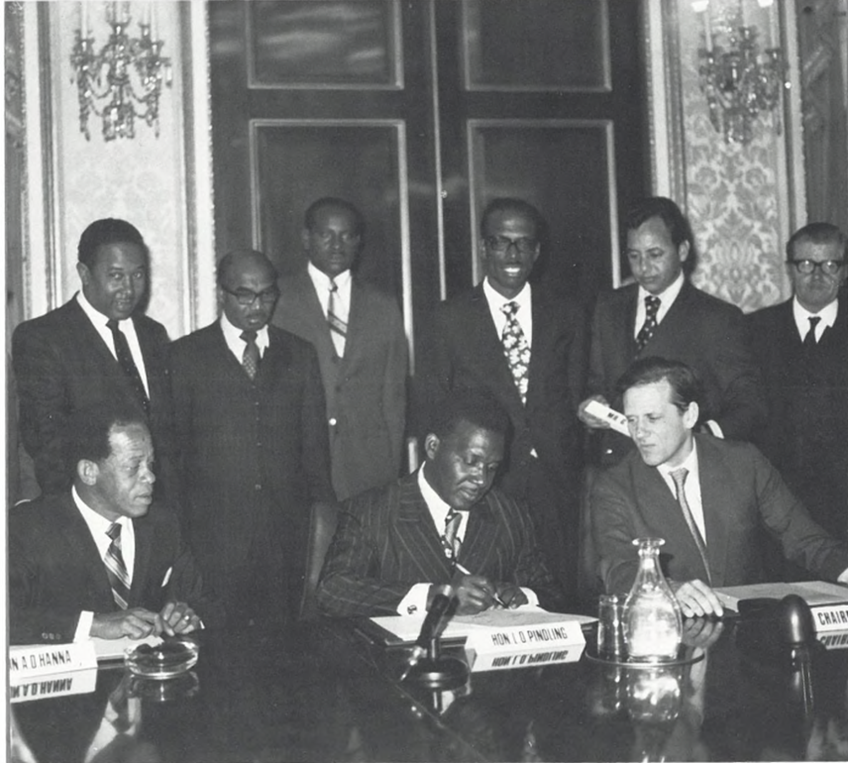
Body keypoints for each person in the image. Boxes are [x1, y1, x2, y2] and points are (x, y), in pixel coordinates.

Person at [591, 356, 848, 619]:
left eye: (652, 418)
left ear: (689, 415)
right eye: (632, 420)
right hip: (675, 633)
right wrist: (668, 589)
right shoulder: (615, 486)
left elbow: (805, 539)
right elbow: (619, 568)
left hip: (749, 632)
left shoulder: (744, 461)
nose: (639, 432)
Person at [424, 198, 587, 601]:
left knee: (559, 598)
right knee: (490, 601)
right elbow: (435, 407)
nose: (512, 255)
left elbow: (578, 393)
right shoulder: (449, 319)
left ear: (536, 250)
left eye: (522, 243)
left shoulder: (567, 314)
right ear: (484, 248)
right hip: (485, 485)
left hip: (556, 484)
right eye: (501, 242)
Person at [169, 249, 335, 625]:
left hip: (285, 539)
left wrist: (321, 535)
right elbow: (173, 455)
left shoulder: (299, 354)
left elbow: (315, 453)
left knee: (284, 652)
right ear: (222, 294)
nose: (258, 305)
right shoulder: (184, 357)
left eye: (267, 294)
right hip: (213, 541)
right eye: (245, 295)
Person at [317, 389, 566, 618]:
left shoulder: (510, 514)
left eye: (492, 468)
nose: (481, 479)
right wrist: (433, 597)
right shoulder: (371, 512)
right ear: (433, 447)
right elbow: (334, 590)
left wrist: (523, 596)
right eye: (470, 461)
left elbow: (552, 593)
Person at [9, 404, 218, 645]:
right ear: (89, 472)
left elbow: (204, 601)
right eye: (133, 466)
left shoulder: (163, 524)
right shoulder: (27, 528)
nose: (150, 477)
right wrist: (93, 625)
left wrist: (189, 616)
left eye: (150, 464)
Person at [579, 197, 765, 465]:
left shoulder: (718, 318)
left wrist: (704, 436)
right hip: (618, 471)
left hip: (685, 468)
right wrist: (591, 408)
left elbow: (751, 404)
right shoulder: (607, 307)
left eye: (655, 254)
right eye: (634, 256)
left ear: (682, 251)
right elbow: (596, 384)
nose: (643, 267)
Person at [12, 218, 174, 497]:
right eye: (115, 276)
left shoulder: (154, 334)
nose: (129, 288)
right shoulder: (43, 337)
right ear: (84, 274)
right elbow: (48, 447)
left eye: (138, 275)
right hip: (92, 511)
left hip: (157, 512)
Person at [274, 197, 408, 501]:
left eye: (347, 236)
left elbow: (394, 398)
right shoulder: (278, 301)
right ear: (306, 239)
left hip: (368, 468)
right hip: (298, 463)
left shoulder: (383, 306)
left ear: (359, 242)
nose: (337, 245)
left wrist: (390, 469)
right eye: (326, 235)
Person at [747, 223, 848, 544]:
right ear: (790, 269)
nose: (817, 275)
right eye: (806, 264)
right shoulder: (756, 331)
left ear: (844, 271)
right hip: (777, 506)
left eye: (830, 265)